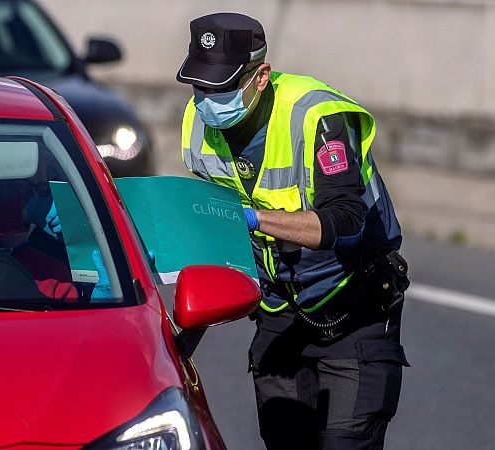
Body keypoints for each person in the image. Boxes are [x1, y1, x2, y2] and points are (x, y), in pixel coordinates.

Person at [175, 13, 409, 450]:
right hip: (278, 311)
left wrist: (252, 219)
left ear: (260, 76)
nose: (206, 100)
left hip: (353, 308)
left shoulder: (316, 116)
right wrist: (178, 342)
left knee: (347, 441)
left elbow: (346, 221)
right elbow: (210, 238)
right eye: (199, 86)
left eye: (221, 87)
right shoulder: (198, 121)